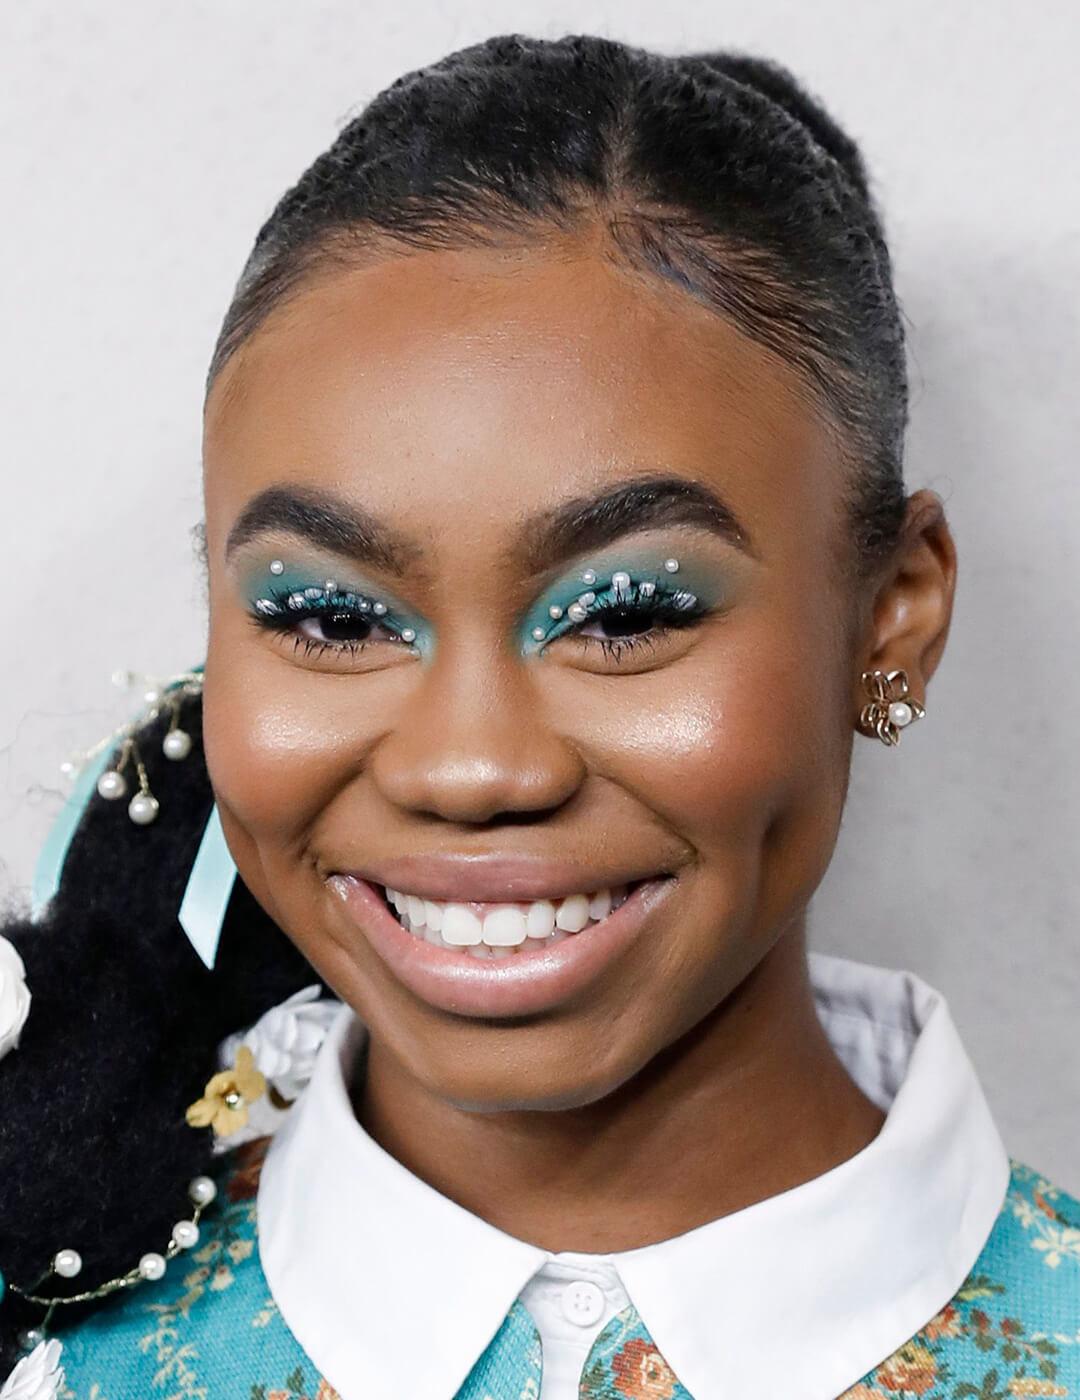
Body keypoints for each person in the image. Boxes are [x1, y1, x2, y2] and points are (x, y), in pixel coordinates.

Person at [0, 30, 1076, 1400]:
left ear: (892, 618)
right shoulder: (46, 1359)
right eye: (331, 619)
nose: (471, 767)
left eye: (625, 613)